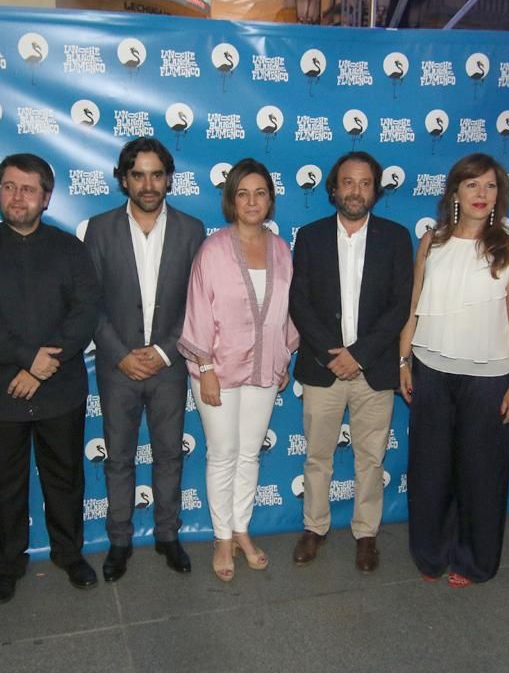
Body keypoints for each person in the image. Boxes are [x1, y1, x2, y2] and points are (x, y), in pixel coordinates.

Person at [0, 153, 100, 601]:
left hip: (59, 390)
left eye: (28, 188)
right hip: (0, 390)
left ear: (47, 197)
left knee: (65, 476)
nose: (17, 197)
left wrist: (42, 367)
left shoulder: (70, 249)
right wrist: (24, 359)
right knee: (3, 482)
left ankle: (69, 552)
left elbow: (84, 313)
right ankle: (8, 563)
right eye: (8, 186)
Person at [398, 153, 509, 586]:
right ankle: (431, 554)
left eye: (490, 186)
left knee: (480, 472)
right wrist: (404, 361)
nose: (481, 195)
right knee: (430, 469)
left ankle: (474, 560)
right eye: (472, 185)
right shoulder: (431, 242)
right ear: (455, 191)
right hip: (430, 369)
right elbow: (414, 308)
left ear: (499, 195)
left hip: (489, 378)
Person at [85, 137, 205, 582]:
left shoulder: (192, 230)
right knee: (118, 457)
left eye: (157, 174)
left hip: (169, 367)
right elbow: (89, 303)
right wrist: (119, 356)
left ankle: (167, 535)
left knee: (169, 454)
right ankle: (119, 540)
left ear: (169, 179)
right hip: (117, 369)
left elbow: (198, 303)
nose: (148, 183)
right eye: (139, 174)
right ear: (124, 179)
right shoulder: (99, 229)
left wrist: (161, 351)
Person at [289, 151, 413, 573]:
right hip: (323, 368)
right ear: (333, 188)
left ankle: (365, 534)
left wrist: (358, 355)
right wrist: (334, 355)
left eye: (364, 183)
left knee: (370, 459)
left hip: (374, 369)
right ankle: (314, 527)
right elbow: (299, 303)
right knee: (317, 456)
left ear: (375, 190)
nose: (355, 191)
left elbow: (400, 306)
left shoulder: (396, 238)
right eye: (348, 182)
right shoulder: (309, 236)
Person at [179, 158, 299, 581]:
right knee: (223, 454)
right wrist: (205, 367)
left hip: (265, 369)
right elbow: (197, 310)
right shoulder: (212, 250)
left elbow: (286, 311)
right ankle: (222, 538)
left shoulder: (282, 250)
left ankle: (242, 529)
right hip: (217, 369)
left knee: (250, 453)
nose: (252, 201)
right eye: (243, 193)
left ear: (270, 200)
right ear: (231, 199)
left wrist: (283, 356)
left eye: (260, 193)